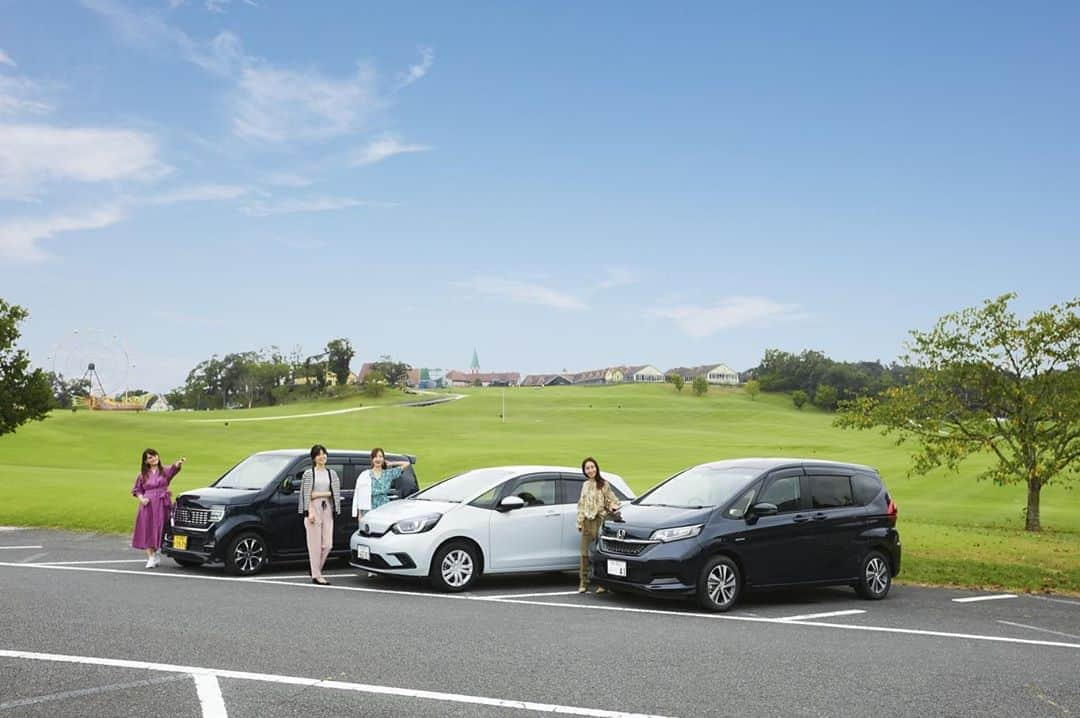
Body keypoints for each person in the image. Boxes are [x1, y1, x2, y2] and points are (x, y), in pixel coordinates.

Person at [131, 449, 185, 568]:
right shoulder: (142, 475)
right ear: (146, 461)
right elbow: (137, 490)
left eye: (154, 455)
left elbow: (173, 469)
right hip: (148, 504)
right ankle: (151, 557)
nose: (153, 458)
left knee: (163, 526)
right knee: (148, 528)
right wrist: (142, 499)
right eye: (150, 457)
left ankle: (159, 547)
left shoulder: (165, 471)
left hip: (162, 503)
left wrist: (178, 464)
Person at [576, 456, 621, 594]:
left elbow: (612, 500)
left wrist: (612, 507)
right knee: (584, 553)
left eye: (592, 467)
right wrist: (580, 521)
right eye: (587, 468)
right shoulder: (585, 485)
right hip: (587, 522)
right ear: (584, 470)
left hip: (600, 521)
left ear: (596, 468)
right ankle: (583, 582)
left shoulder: (604, 484)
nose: (590, 470)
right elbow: (581, 504)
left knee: (600, 553)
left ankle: (603, 584)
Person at [299, 444, 341, 585]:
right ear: (314, 458)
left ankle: (315, 570)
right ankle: (317, 575)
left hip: (327, 508)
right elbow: (306, 495)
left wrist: (319, 494)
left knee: (328, 544)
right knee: (314, 545)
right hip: (313, 509)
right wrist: (309, 511)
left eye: (324, 454)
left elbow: (335, 493)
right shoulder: (309, 474)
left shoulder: (332, 474)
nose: (322, 457)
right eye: (318, 454)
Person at [352, 447, 411, 519]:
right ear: (372, 459)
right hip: (368, 508)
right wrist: (360, 514)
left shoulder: (388, 474)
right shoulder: (365, 475)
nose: (378, 459)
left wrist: (391, 463)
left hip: (384, 507)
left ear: (383, 459)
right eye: (375, 457)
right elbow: (360, 495)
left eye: (380, 457)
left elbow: (407, 464)